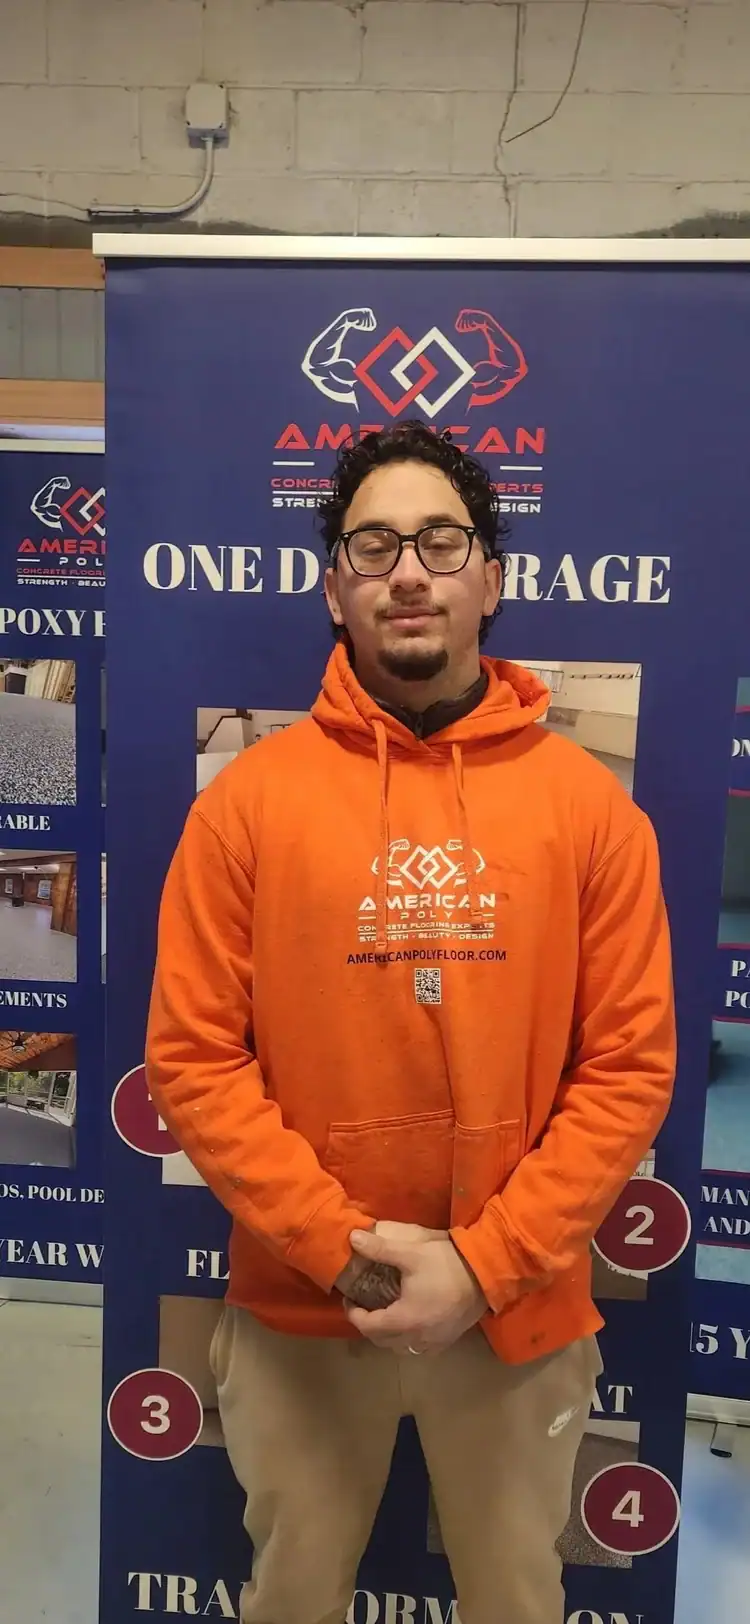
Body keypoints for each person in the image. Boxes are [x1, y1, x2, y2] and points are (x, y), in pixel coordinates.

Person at [146, 421, 676, 1624]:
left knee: (517, 1601)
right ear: (334, 586)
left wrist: (482, 1269)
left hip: (518, 1314)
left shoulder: (592, 814)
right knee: (289, 1599)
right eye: (372, 543)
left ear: (490, 577)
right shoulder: (246, 809)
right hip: (300, 1307)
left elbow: (630, 1068)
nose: (408, 569)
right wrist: (344, 1250)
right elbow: (191, 1059)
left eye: (441, 540)